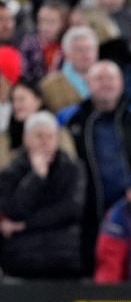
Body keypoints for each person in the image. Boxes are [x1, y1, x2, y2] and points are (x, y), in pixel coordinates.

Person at [62, 59, 131, 272]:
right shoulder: (71, 119)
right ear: (87, 83)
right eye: (99, 78)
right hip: (89, 214)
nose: (106, 83)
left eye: (111, 78)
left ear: (122, 82)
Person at [0, 111, 85, 279]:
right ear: (26, 139)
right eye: (39, 136)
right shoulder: (10, 172)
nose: (45, 142)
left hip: (63, 257)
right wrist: (36, 178)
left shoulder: (73, 169)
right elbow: (13, 211)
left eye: (50, 136)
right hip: (21, 259)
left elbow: (70, 210)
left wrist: (25, 225)